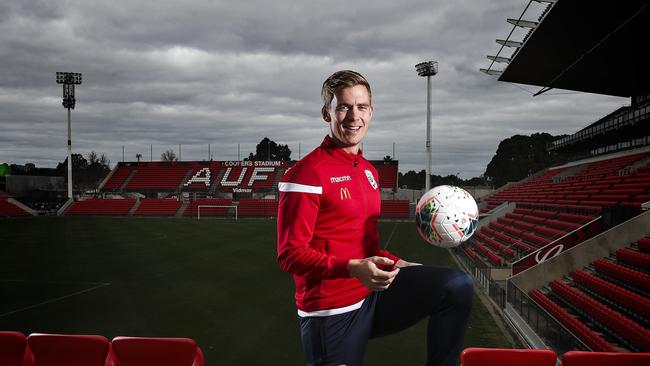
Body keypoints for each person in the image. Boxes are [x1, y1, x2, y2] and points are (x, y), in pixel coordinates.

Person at [277, 70, 473, 366]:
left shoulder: (368, 172)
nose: (353, 116)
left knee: (456, 286)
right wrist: (353, 268)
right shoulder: (306, 174)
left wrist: (396, 262)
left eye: (361, 107)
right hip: (331, 312)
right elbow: (290, 254)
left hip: (373, 295)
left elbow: (364, 244)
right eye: (343, 106)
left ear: (371, 112)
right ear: (326, 113)